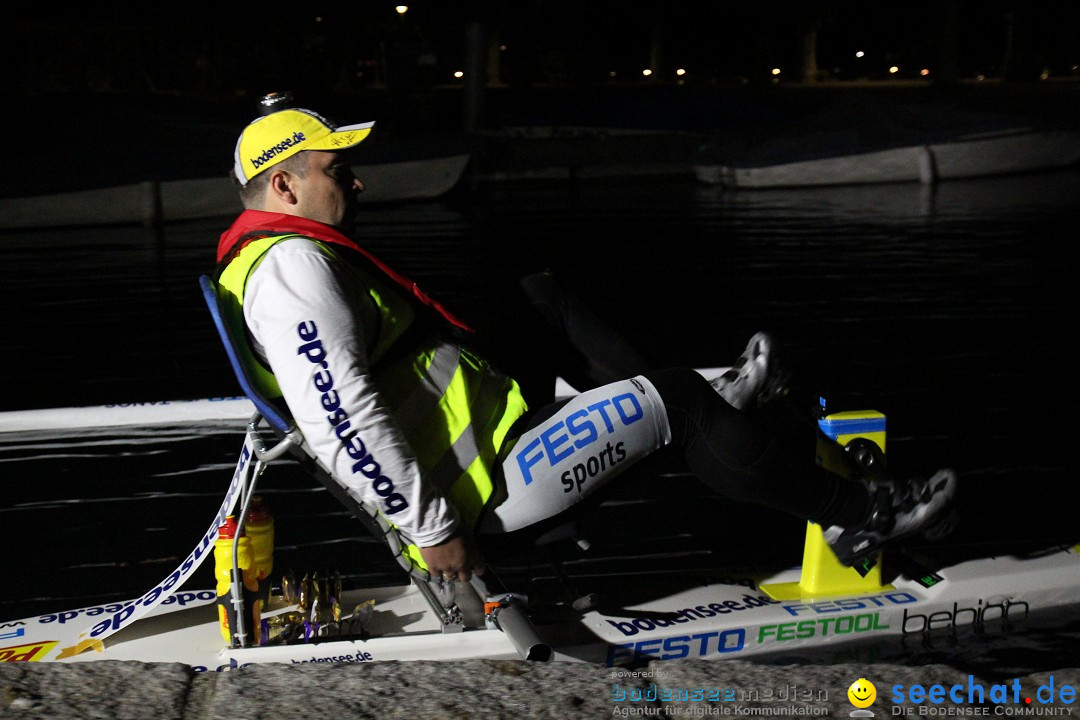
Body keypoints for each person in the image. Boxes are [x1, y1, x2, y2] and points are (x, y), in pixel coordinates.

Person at [213, 99, 956, 584]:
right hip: (484, 492)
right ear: (285, 187)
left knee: (538, 299)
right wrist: (434, 529)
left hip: (489, 431)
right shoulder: (294, 272)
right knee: (681, 404)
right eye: (339, 171)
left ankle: (717, 398)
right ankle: (862, 515)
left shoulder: (286, 254)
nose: (358, 185)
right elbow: (338, 421)